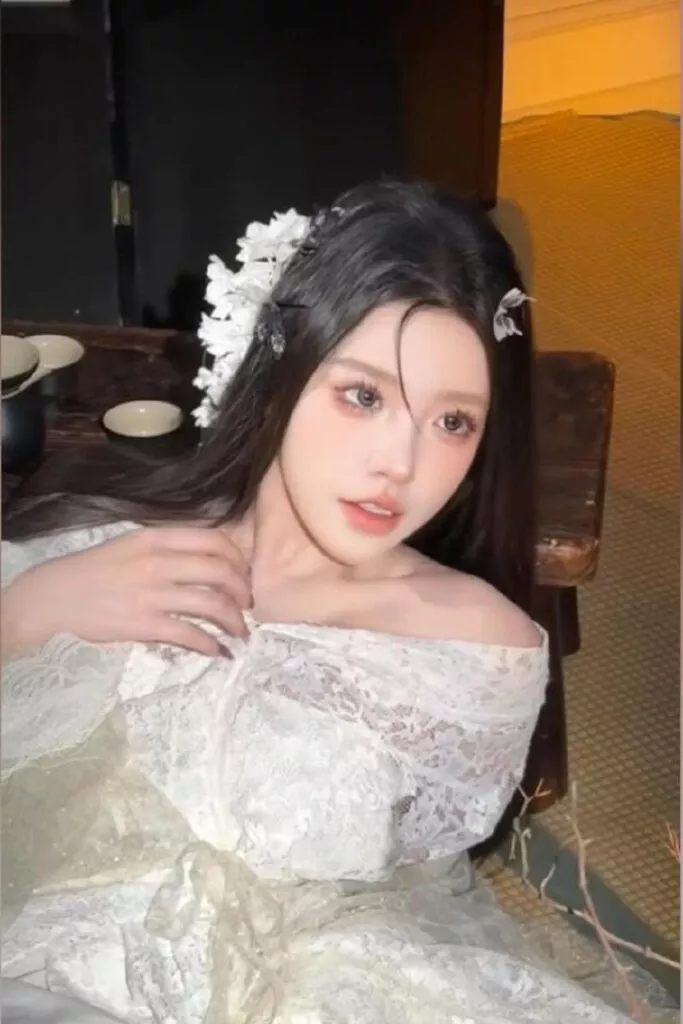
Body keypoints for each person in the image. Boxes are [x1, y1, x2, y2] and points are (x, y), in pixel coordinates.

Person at [0, 181, 644, 1023]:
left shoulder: (475, 646)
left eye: (452, 422)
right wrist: (21, 618)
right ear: (282, 366)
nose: (400, 465)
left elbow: (419, 892)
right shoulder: (96, 544)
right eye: (363, 396)